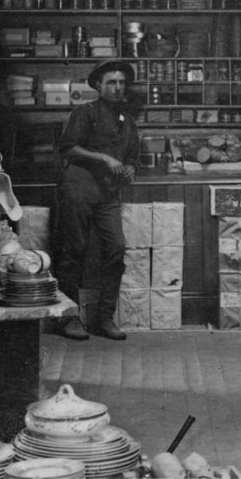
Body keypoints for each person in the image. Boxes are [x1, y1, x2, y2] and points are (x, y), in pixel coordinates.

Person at [55, 60, 140, 341]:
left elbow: (130, 159)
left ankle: (105, 319)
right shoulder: (84, 112)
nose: (117, 88)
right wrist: (103, 157)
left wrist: (130, 169)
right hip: (78, 189)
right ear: (98, 86)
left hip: (107, 194)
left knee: (116, 249)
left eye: (121, 83)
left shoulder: (128, 121)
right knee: (73, 252)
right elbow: (68, 148)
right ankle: (70, 319)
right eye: (111, 82)